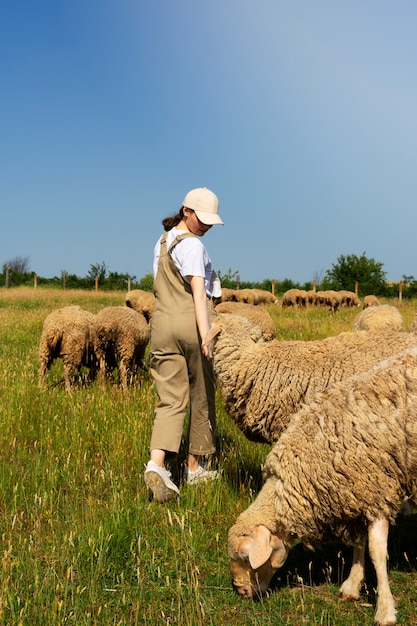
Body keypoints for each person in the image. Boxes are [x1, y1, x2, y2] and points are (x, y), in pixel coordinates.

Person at [144, 187, 224, 502]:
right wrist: (206, 334)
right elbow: (197, 292)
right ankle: (196, 467)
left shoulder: (161, 243)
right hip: (192, 324)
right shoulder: (193, 246)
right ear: (186, 211)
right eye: (201, 218)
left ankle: (158, 464)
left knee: (169, 400)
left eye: (209, 222)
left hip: (161, 327)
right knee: (202, 394)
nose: (205, 226)